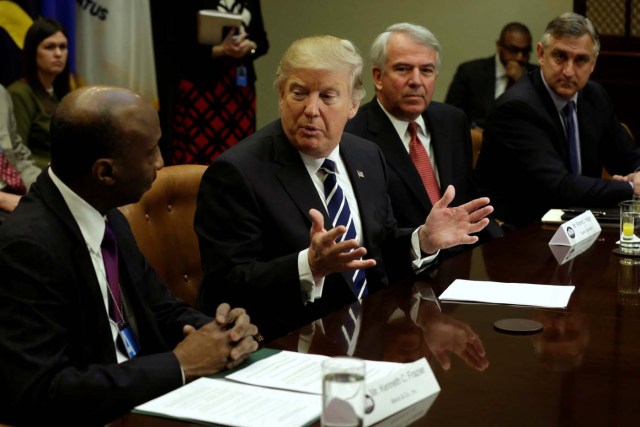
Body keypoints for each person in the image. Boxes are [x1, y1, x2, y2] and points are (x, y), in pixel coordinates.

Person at [195, 35, 494, 342]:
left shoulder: (367, 154)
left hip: (369, 334)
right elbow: (224, 285)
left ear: (353, 104)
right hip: (289, 341)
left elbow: (380, 247)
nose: (311, 109)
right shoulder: (237, 172)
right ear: (281, 96)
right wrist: (308, 265)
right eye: (299, 93)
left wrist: (423, 240)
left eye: (327, 96)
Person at [0, 86, 258, 425]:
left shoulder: (106, 215)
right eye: (151, 152)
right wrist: (180, 364)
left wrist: (220, 332)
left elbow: (161, 308)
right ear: (105, 172)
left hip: (145, 402)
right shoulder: (27, 247)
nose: (161, 162)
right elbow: (40, 392)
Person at [345, 22, 502, 265]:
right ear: (378, 76)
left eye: (426, 70)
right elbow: (372, 234)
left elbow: (466, 200)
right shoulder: (353, 135)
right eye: (403, 69)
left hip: (460, 265)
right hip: (398, 274)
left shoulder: (452, 120)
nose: (416, 81)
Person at [475, 12, 640, 228]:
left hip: (579, 223)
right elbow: (558, 187)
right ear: (542, 55)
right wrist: (630, 188)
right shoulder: (516, 107)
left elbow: (627, 156)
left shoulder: (594, 96)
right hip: (520, 233)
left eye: (580, 59)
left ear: (593, 63)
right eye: (560, 56)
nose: (569, 71)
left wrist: (638, 174)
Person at [170, 0, 269, 165]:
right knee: (199, 152)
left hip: (239, 89)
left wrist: (249, 46)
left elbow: (262, 42)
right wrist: (221, 50)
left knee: (240, 152)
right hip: (201, 86)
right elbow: (178, 46)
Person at [8, 17, 70, 168]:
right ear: (33, 52)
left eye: (63, 47)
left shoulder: (61, 95)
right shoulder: (19, 93)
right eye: (49, 47)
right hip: (38, 179)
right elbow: (16, 154)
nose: (58, 54)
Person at [445, 22, 533, 129]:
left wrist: (522, 81)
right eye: (513, 50)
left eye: (525, 52)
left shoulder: (536, 76)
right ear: (499, 46)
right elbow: (449, 116)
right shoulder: (470, 72)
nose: (520, 57)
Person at [0, 84, 40, 220]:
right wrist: (2, 198)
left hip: (14, 188)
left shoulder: (1, 93)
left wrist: (44, 186)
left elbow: (18, 155)